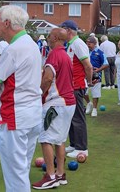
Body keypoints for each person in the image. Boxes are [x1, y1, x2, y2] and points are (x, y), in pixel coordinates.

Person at [0, 5, 42, 192]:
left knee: (15, 175)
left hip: (14, 116)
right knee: (21, 169)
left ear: (6, 23)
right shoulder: (32, 44)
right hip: (32, 113)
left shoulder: (13, 49)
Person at [32, 28, 76, 190]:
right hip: (68, 103)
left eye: (50, 35)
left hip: (56, 103)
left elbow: (48, 78)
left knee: (45, 138)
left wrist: (38, 94)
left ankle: (50, 176)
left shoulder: (54, 55)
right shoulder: (65, 55)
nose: (48, 38)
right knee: (60, 139)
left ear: (56, 38)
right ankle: (60, 173)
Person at [60, 20, 93, 158]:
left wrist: (89, 82)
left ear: (68, 30)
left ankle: (82, 148)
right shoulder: (71, 44)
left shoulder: (78, 44)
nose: (60, 32)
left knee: (78, 117)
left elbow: (88, 66)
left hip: (77, 85)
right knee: (71, 116)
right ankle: (74, 144)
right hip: (70, 85)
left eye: (62, 29)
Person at [84, 36, 108, 117]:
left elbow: (106, 64)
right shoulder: (84, 51)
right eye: (87, 43)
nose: (87, 45)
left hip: (96, 76)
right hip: (85, 75)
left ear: (94, 44)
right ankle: (88, 103)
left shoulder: (100, 52)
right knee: (84, 92)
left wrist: (98, 70)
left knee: (95, 93)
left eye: (89, 43)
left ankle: (94, 109)